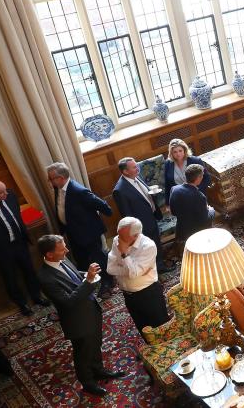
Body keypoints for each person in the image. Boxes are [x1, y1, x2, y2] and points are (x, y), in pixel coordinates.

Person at [37, 234, 125, 396]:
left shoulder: (61, 259)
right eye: (62, 248)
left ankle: (99, 370)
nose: (67, 250)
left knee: (95, 344)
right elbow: (69, 301)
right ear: (49, 254)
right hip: (77, 321)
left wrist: (86, 274)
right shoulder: (45, 278)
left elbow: (72, 274)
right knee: (83, 354)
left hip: (90, 310)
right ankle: (88, 383)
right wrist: (89, 280)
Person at [0, 180, 48, 316]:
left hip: (20, 243)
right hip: (2, 251)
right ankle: (22, 303)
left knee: (29, 271)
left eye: (5, 190)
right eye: (1, 193)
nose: (6, 193)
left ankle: (37, 297)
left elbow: (16, 215)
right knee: (10, 278)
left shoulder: (10, 195)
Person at [47, 162, 115, 297]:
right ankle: (88, 284)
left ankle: (107, 282)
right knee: (81, 259)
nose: (49, 181)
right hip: (73, 232)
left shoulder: (79, 191)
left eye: (51, 178)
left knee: (98, 258)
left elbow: (102, 206)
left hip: (88, 232)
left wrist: (106, 213)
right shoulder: (58, 189)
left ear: (60, 178)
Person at [106, 217, 168, 337]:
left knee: (159, 328)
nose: (118, 240)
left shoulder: (148, 246)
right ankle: (151, 352)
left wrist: (124, 254)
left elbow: (133, 274)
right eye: (118, 234)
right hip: (128, 295)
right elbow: (110, 269)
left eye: (122, 236)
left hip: (149, 294)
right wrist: (130, 271)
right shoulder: (116, 241)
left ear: (135, 235)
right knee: (142, 327)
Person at [113, 157, 169, 273]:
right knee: (147, 250)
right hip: (141, 225)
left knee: (156, 244)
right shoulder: (120, 190)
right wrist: (136, 231)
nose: (137, 168)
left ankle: (160, 266)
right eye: (134, 167)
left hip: (151, 217)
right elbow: (127, 214)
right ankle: (152, 271)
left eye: (136, 165)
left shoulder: (136, 177)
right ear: (125, 171)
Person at [168, 164, 215, 254]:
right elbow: (205, 219)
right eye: (202, 176)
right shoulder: (200, 196)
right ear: (199, 178)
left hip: (182, 232)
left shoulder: (174, 189)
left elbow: (173, 212)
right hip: (197, 234)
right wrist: (211, 210)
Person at [162, 138, 210, 203]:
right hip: (180, 198)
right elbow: (167, 184)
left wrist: (197, 190)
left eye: (180, 151)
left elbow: (207, 178)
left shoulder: (195, 160)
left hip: (197, 196)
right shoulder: (168, 163)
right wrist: (168, 203)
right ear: (171, 153)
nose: (178, 154)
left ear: (184, 150)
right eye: (175, 152)